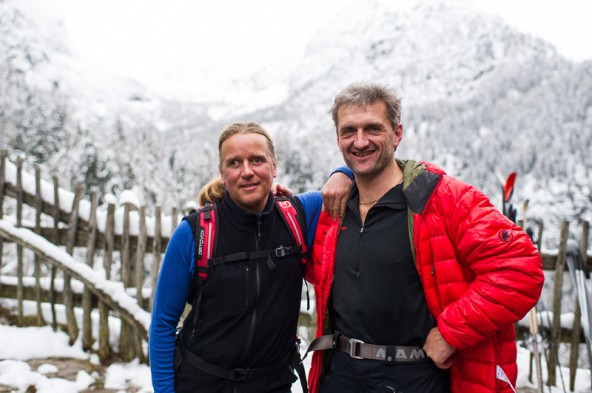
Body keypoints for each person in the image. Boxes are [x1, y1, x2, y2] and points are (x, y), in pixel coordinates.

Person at [307, 83, 545, 393]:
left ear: (397, 133)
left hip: (417, 376)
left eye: (373, 128)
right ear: (338, 137)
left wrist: (450, 332)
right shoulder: (332, 208)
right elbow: (273, 218)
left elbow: (521, 270)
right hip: (340, 375)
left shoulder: (442, 198)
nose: (360, 141)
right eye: (348, 130)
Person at [149, 122, 352, 393]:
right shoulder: (194, 233)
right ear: (222, 173)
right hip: (202, 383)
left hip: (274, 384)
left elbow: (371, 172)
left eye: (257, 160)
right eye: (235, 163)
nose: (247, 171)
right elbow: (163, 323)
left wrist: (342, 173)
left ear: (274, 166)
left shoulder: (299, 216)